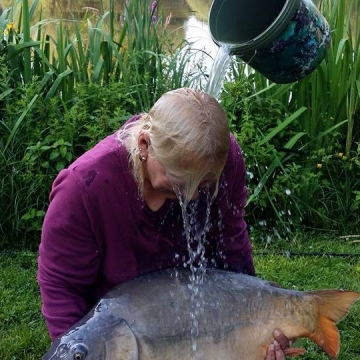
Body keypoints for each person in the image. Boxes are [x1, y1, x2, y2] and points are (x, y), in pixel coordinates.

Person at [38, 87, 291, 359]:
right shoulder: (83, 188)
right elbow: (62, 288)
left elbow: (232, 246)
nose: (192, 196)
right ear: (145, 144)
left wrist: (257, 318)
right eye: (179, 185)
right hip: (121, 333)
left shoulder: (225, 159)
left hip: (200, 320)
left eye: (203, 185)